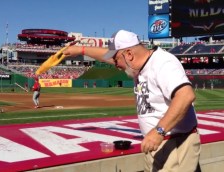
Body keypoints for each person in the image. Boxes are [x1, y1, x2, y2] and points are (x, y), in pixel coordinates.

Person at [62, 30, 201, 171]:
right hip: (157, 144)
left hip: (175, 144)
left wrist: (159, 131)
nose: (114, 64)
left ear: (129, 54)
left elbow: (186, 96)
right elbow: (106, 56)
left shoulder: (163, 62)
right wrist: (80, 49)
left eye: (116, 60)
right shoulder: (136, 64)